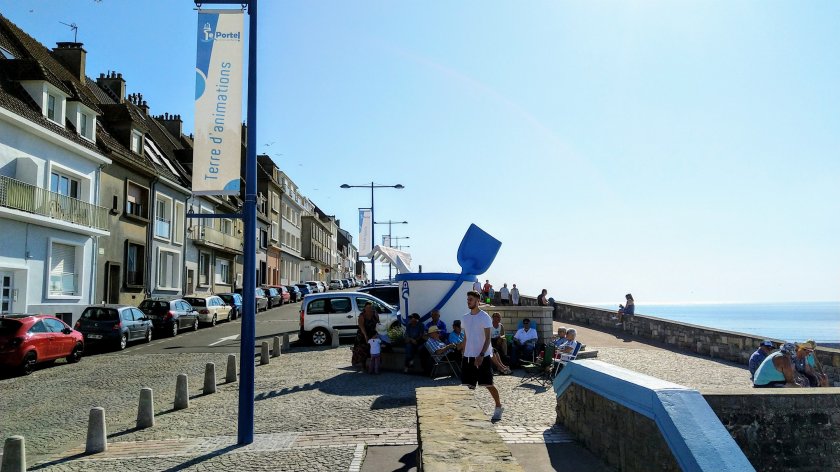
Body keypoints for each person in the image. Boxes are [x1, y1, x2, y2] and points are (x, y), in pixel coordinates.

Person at [461, 290, 503, 421]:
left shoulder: (484, 317)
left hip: (483, 356)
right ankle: (469, 411)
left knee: (488, 384)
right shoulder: (465, 318)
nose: (468, 301)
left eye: (471, 299)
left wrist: (481, 355)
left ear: (478, 301)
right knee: (468, 385)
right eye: (467, 299)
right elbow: (466, 337)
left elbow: (488, 338)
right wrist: (463, 352)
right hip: (468, 356)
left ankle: (498, 406)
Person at [351, 302, 380, 371]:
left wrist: (377, 334)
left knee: (373, 349)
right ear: (365, 308)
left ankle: (374, 366)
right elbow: (362, 327)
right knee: (362, 349)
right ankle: (363, 365)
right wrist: (366, 336)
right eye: (367, 307)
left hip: (372, 334)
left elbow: (378, 324)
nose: (369, 309)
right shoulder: (362, 315)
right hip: (363, 334)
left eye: (370, 307)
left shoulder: (375, 314)